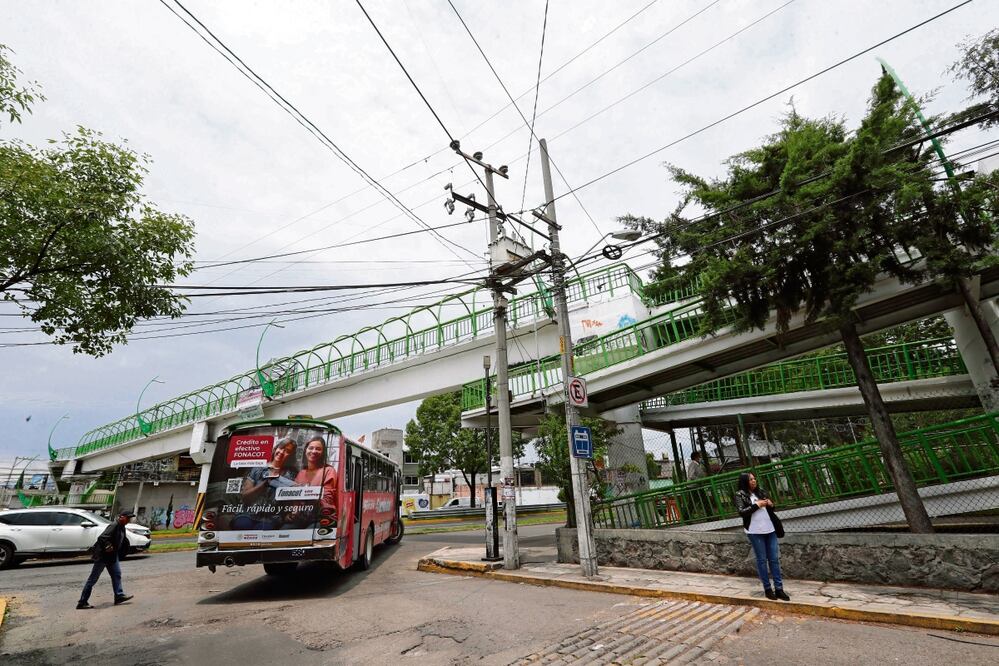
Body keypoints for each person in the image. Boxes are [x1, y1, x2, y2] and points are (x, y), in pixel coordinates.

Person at [735, 472, 789, 601]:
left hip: (770, 529)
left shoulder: (761, 492)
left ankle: (779, 589)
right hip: (754, 531)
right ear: (745, 481)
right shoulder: (739, 494)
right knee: (762, 561)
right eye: (751, 479)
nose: (754, 481)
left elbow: (771, 509)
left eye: (754, 479)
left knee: (774, 559)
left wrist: (771, 504)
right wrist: (756, 505)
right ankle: (768, 589)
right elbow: (742, 512)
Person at [232, 438, 298, 530]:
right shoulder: (258, 467)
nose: (282, 452)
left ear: (290, 456)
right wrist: (265, 484)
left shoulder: (291, 475)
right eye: (281, 448)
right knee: (242, 525)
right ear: (276, 448)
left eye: (287, 451)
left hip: (272, 518)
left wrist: (291, 513)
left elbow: (294, 497)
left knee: (262, 531)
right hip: (248, 513)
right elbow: (245, 497)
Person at [77, 510, 135, 609]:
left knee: (117, 574)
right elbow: (102, 538)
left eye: (130, 518)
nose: (129, 520)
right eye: (128, 518)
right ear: (121, 517)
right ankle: (82, 602)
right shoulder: (114, 525)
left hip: (112, 556)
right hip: (103, 557)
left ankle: (119, 596)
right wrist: (108, 546)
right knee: (93, 579)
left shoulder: (121, 527)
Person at [293, 436, 338, 525]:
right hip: (300, 517)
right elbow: (295, 498)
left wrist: (307, 493)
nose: (313, 451)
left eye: (318, 449)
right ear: (306, 450)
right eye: (311, 448)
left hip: (320, 517)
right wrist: (293, 513)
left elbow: (327, 499)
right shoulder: (301, 473)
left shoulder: (329, 470)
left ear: (323, 453)